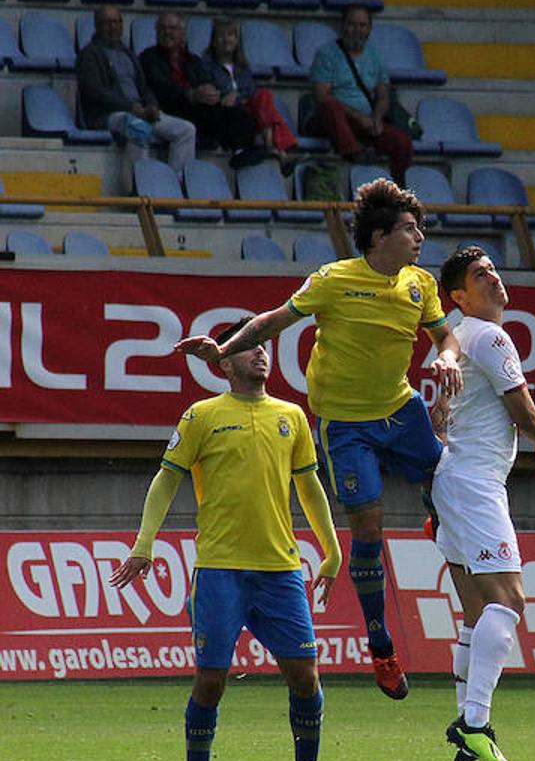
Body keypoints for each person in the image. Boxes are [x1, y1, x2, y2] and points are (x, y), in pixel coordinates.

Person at [175, 179, 464, 700]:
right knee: (369, 529)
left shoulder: (420, 283)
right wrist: (222, 352)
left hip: (401, 409)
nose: (419, 236)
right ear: (378, 237)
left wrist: (445, 353)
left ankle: (435, 514)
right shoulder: (333, 280)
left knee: (446, 475)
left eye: (419, 227)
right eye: (408, 228)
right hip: (346, 425)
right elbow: (273, 321)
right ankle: (380, 642)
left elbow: (444, 334)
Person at [111, 318, 343, 761]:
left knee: (306, 677)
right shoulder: (201, 416)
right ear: (225, 362)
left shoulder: (292, 416)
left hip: (280, 572)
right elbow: (165, 480)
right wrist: (144, 543)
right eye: (249, 347)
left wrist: (331, 549)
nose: (260, 354)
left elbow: (309, 488)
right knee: (211, 682)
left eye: (264, 346)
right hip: (220, 572)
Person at [431, 245, 535, 761]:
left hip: (452, 481)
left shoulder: (457, 338)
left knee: (474, 611)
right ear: (458, 295)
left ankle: (469, 743)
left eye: (493, 269)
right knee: (509, 602)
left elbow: (444, 408)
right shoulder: (491, 336)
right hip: (475, 484)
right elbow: (521, 405)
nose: (493, 277)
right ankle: (476, 726)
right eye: (479, 274)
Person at [75, 5, 197, 176]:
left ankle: (175, 186)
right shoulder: (90, 54)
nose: (113, 27)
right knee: (137, 128)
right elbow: (95, 92)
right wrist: (131, 108)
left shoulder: (128, 53)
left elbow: (144, 87)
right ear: (96, 25)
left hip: (139, 110)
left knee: (186, 130)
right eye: (107, 23)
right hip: (109, 115)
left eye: (117, 22)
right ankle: (141, 186)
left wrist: (152, 105)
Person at [138, 12, 264, 168]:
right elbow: (160, 85)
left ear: (182, 33)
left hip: (198, 107)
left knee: (236, 113)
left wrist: (210, 91)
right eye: (163, 28)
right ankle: (236, 147)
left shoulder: (192, 59)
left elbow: (206, 80)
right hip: (171, 107)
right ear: (156, 32)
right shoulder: (148, 57)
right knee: (214, 114)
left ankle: (243, 150)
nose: (167, 32)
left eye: (172, 28)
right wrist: (190, 94)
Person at [306, 4, 412, 184]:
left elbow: (383, 96)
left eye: (362, 25)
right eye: (352, 24)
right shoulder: (327, 54)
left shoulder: (375, 56)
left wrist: (376, 118)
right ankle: (354, 153)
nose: (357, 30)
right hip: (332, 120)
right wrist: (358, 117)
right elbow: (322, 96)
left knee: (402, 142)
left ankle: (399, 188)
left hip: (366, 122)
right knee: (331, 106)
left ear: (369, 28)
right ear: (343, 26)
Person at [193, 17, 300, 173]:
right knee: (264, 103)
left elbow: (250, 89)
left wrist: (236, 95)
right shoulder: (205, 65)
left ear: (237, 40)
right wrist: (228, 96)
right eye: (221, 35)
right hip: (226, 113)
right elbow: (210, 89)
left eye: (230, 35)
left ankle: (272, 146)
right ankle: (280, 151)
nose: (226, 40)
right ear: (213, 41)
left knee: (263, 95)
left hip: (246, 107)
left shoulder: (242, 66)